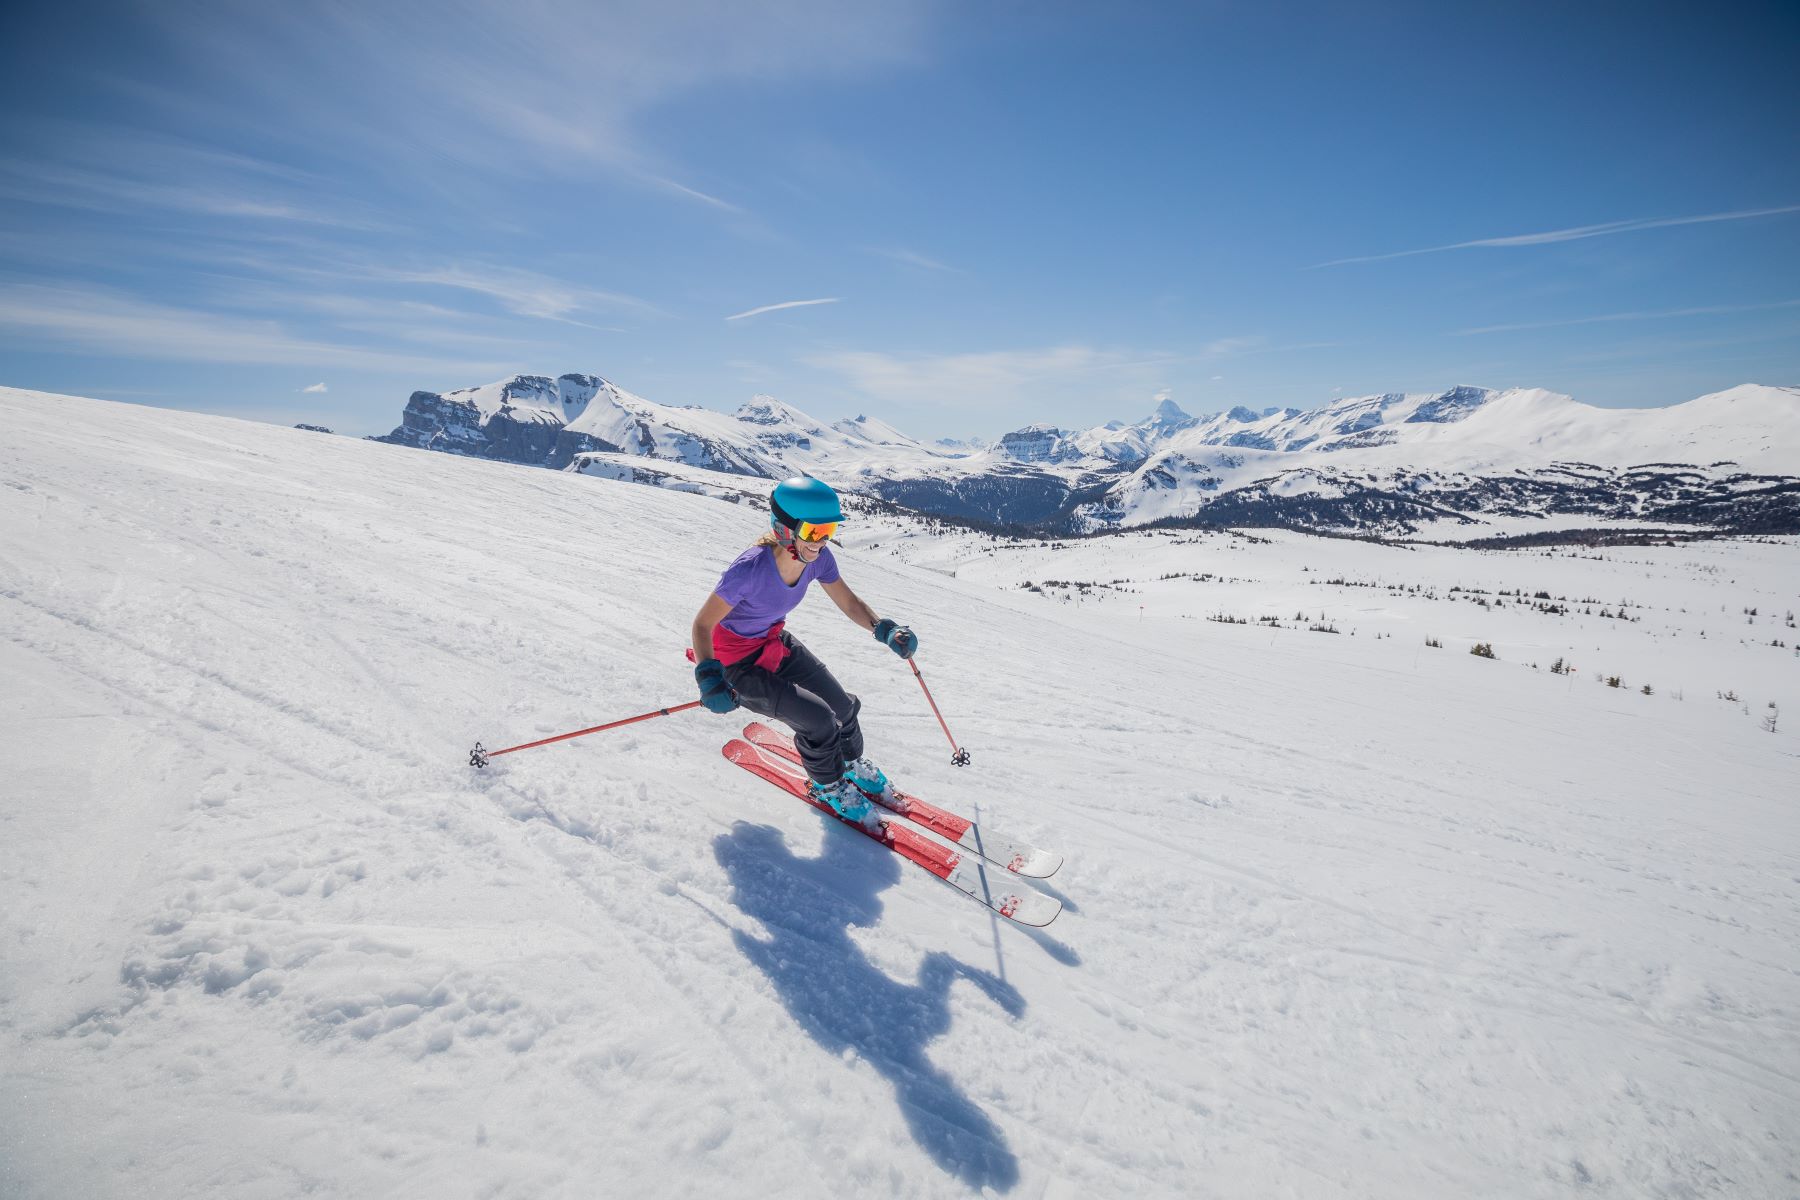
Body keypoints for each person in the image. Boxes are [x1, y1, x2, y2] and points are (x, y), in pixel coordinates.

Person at [692, 476, 918, 832]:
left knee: (843, 708)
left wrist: (884, 629)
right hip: (735, 664)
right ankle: (828, 785)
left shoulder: (818, 559)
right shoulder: (748, 570)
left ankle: (850, 763)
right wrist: (709, 679)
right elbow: (703, 625)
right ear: (784, 529)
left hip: (773, 642)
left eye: (828, 530)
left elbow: (848, 601)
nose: (822, 541)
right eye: (814, 532)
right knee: (818, 721)